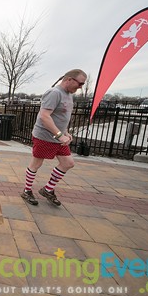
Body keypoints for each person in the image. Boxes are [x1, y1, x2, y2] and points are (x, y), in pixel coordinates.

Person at [20, 69, 87, 207]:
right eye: (80, 83)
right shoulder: (54, 93)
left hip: (59, 137)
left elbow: (61, 116)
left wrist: (65, 132)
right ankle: (27, 191)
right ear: (69, 79)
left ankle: (47, 189)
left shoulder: (68, 95)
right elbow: (44, 116)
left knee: (68, 163)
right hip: (44, 136)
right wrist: (59, 135)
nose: (80, 87)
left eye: (82, 84)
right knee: (36, 164)